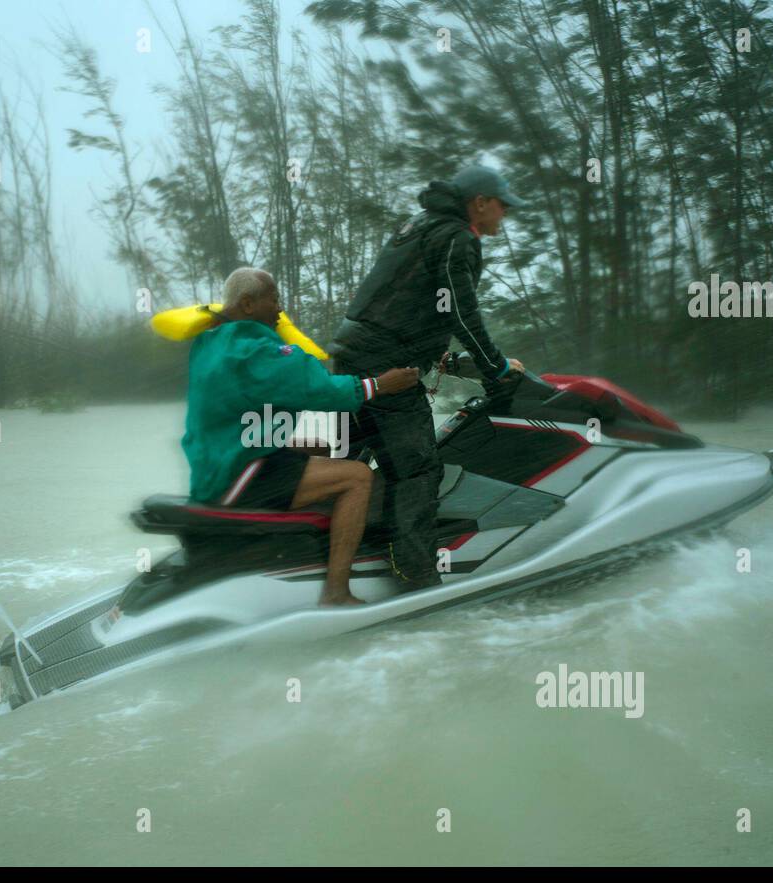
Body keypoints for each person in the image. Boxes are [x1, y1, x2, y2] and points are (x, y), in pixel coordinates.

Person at [329, 165, 526, 591]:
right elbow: (461, 312)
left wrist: (445, 358)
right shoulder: (457, 237)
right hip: (386, 365)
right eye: (502, 205)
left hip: (350, 354)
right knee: (418, 468)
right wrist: (497, 371)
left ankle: (335, 552)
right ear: (480, 203)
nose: (505, 214)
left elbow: (407, 302)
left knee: (352, 460)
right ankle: (414, 575)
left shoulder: (420, 225)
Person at [182, 267, 418, 606]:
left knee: (319, 448)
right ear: (248, 304)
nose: (280, 309)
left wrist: (285, 443)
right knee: (359, 477)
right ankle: (336, 591)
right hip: (240, 478)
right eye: (274, 300)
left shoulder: (211, 343)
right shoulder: (253, 349)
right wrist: (377, 385)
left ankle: (315, 555)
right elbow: (313, 387)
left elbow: (234, 410)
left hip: (218, 465)